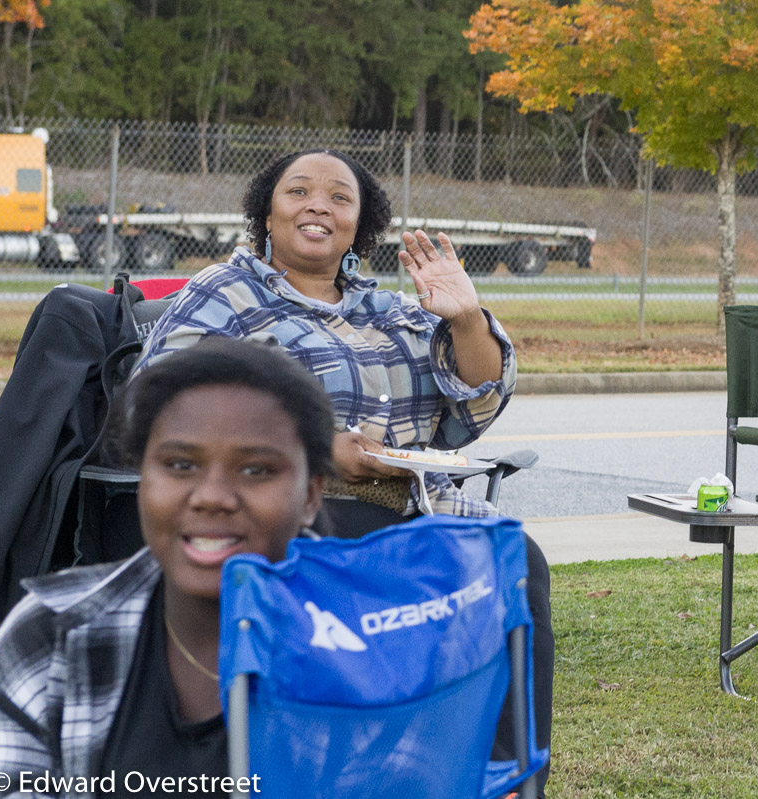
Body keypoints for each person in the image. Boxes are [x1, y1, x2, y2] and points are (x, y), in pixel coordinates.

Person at [130, 148, 552, 789]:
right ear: (267, 215)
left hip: (420, 506)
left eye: (339, 197)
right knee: (359, 541)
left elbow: (475, 406)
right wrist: (319, 449)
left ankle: (505, 775)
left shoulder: (391, 311)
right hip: (296, 513)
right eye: (299, 191)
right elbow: (159, 400)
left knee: (515, 560)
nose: (318, 204)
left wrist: (465, 317)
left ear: (360, 224)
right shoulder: (224, 296)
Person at [0, 338, 331, 794]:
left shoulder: (378, 643)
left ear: (310, 495)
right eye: (179, 464)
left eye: (255, 470)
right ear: (141, 478)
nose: (211, 496)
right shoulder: (52, 635)